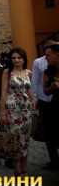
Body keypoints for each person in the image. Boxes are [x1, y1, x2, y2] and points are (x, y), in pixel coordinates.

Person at [0, 48, 35, 176]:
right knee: (15, 138)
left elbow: (28, 89)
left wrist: (33, 100)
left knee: (26, 138)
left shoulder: (28, 72)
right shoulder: (7, 72)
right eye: (13, 58)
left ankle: (24, 168)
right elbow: (3, 93)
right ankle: (17, 169)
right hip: (12, 109)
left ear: (24, 59)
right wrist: (2, 112)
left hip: (26, 109)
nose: (16, 60)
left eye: (19, 58)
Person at [32, 40, 58, 170]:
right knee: (48, 131)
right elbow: (35, 81)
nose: (46, 57)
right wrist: (35, 98)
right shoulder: (39, 63)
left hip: (54, 102)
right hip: (45, 100)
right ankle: (54, 160)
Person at [42, 43, 59, 170]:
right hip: (55, 106)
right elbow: (46, 91)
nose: (45, 58)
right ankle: (55, 161)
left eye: (48, 55)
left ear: (57, 55)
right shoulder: (48, 72)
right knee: (50, 135)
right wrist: (53, 86)